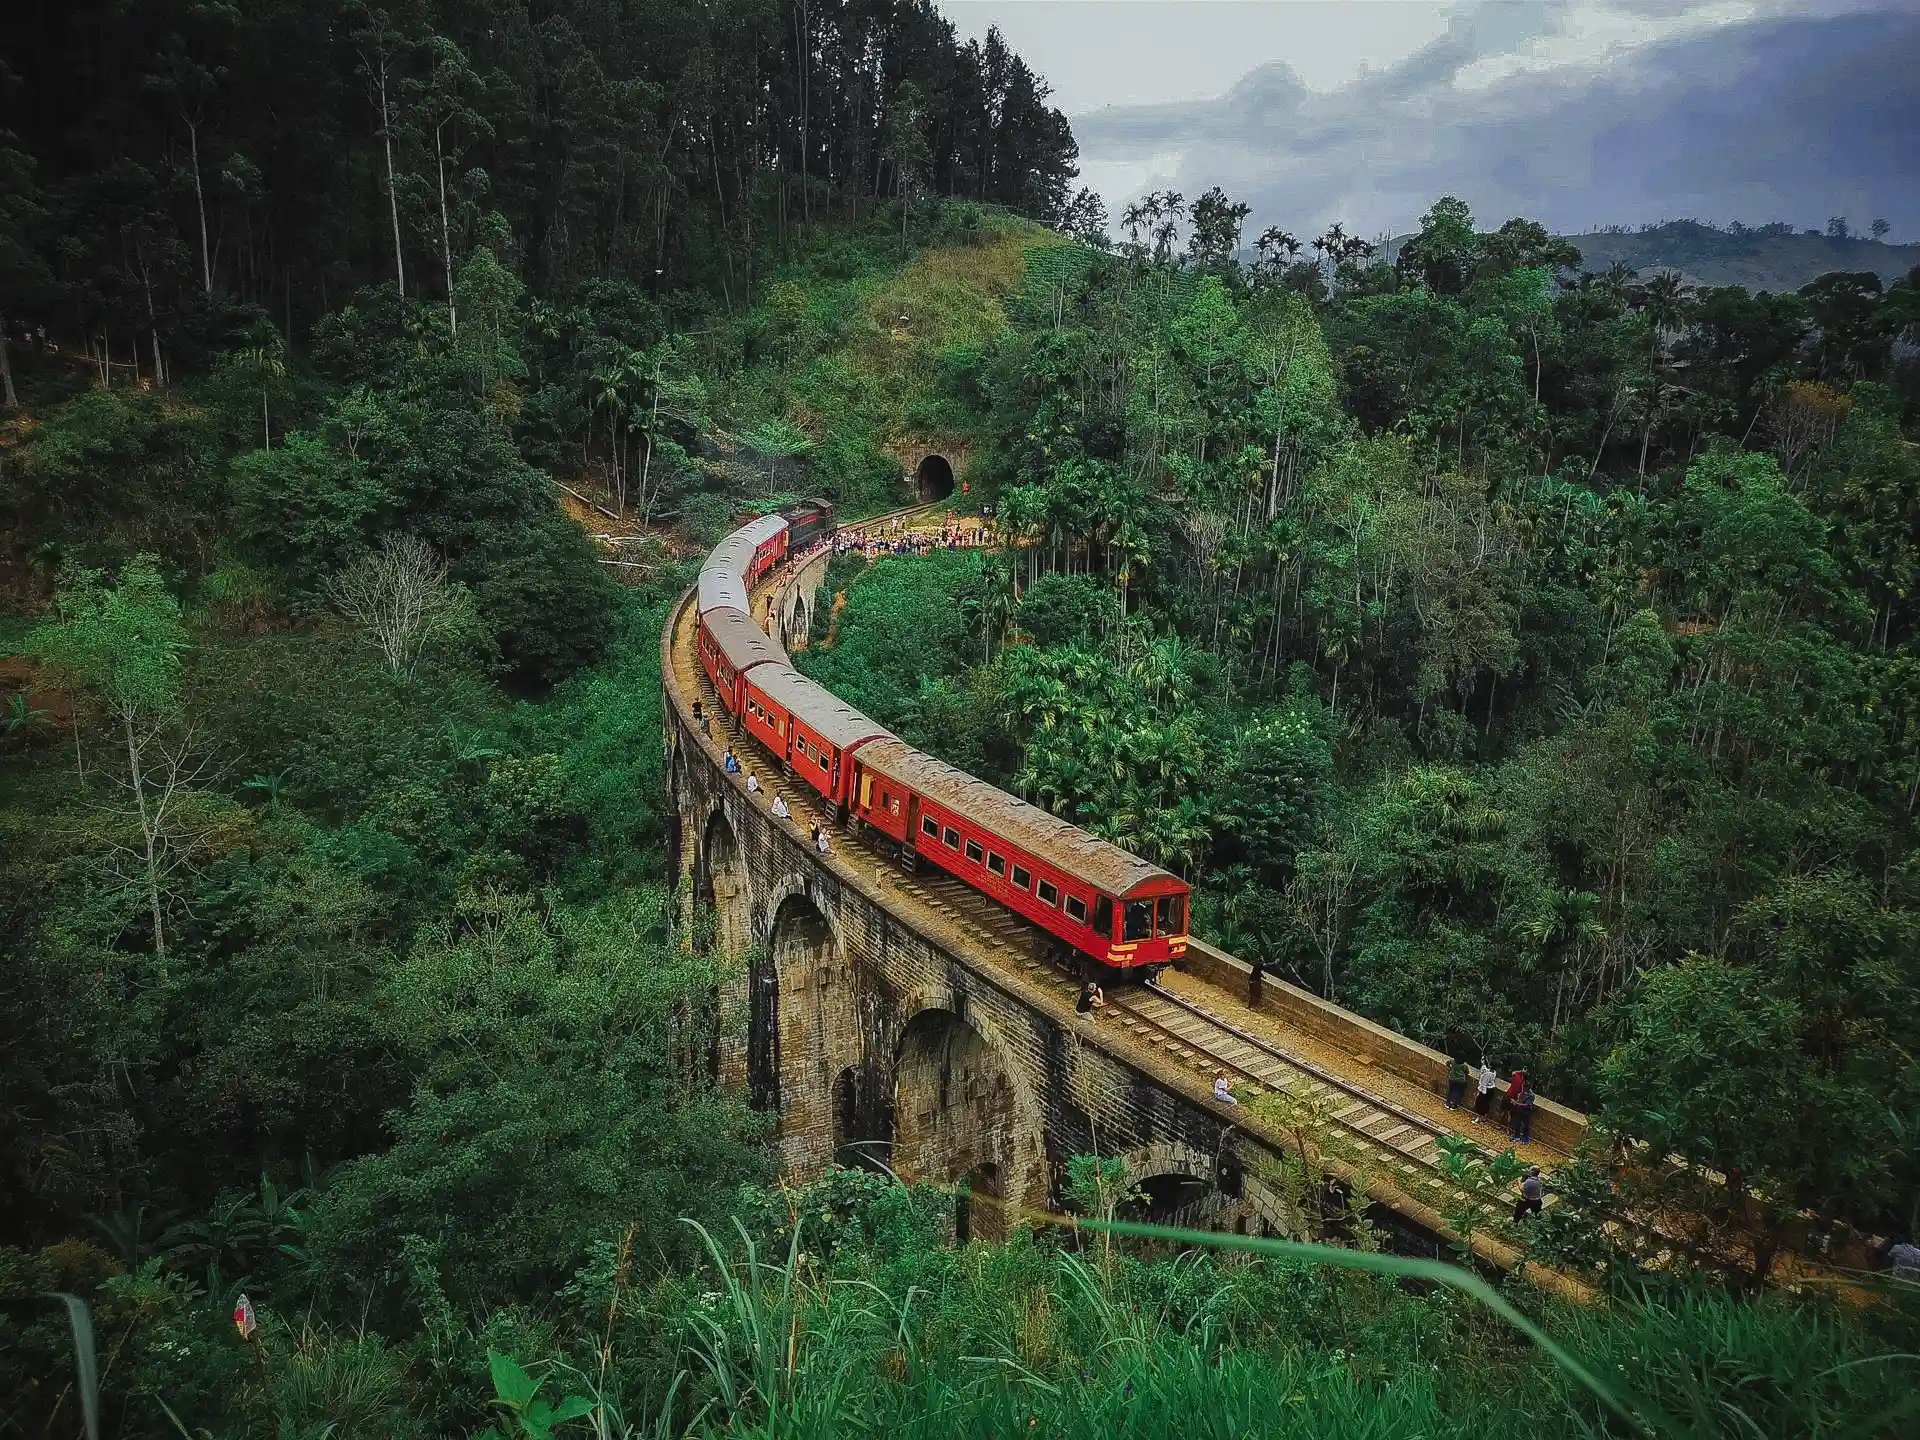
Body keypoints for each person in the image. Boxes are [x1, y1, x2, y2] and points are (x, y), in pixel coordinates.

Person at [1473, 1060, 1497, 1125]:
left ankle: (1479, 1118)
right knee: (1486, 1104)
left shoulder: (1488, 1074)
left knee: (1479, 1103)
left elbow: (1483, 1084)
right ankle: (1483, 1118)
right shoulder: (1494, 1072)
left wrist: (1479, 1092)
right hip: (1491, 1090)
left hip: (1486, 1090)